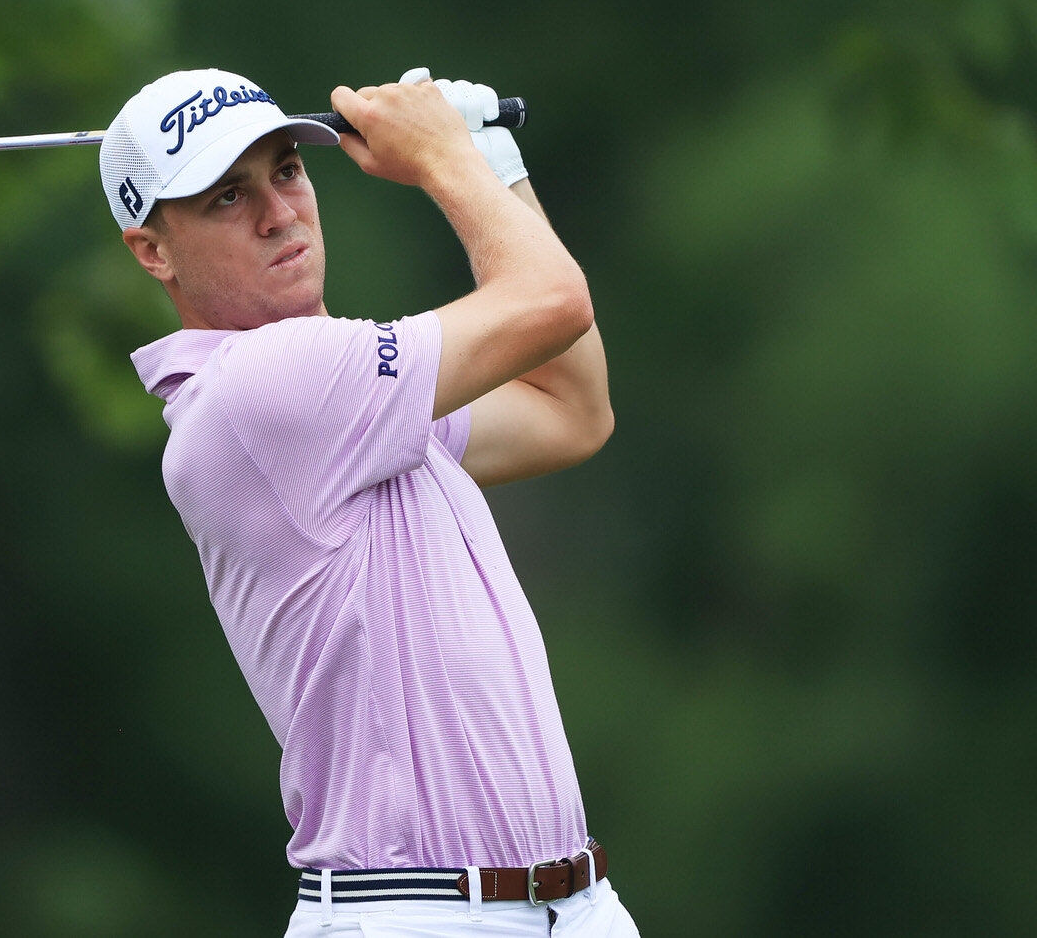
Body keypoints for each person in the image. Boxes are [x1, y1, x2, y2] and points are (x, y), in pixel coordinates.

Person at [101, 66, 638, 937]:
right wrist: (443, 157)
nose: (278, 212)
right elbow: (554, 300)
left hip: (569, 905)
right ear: (152, 250)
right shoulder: (266, 388)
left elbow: (571, 411)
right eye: (226, 197)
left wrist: (490, 156)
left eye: (286, 170)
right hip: (417, 912)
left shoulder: (350, 405)